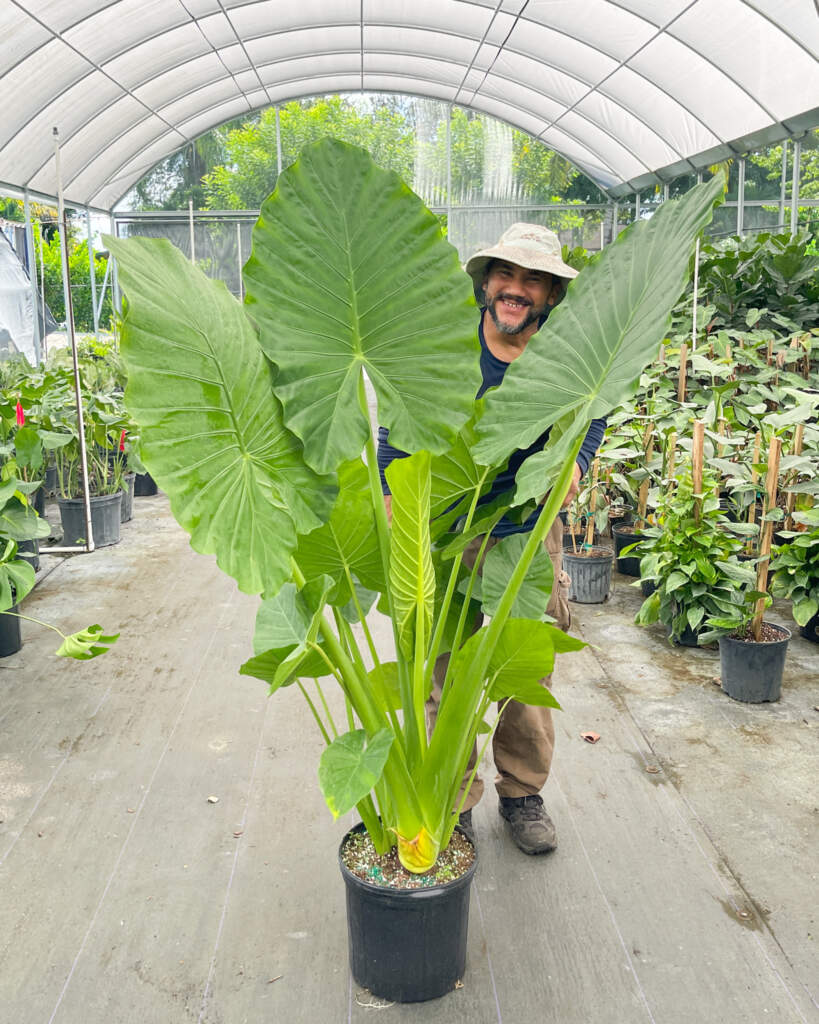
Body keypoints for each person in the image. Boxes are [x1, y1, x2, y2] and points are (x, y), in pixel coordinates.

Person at [377, 223, 606, 855]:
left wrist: (576, 468)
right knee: (443, 667)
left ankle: (522, 793)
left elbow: (594, 412)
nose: (516, 289)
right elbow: (397, 428)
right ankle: (450, 797)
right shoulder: (447, 347)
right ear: (486, 283)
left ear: (551, 296)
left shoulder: (564, 353)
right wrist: (398, 507)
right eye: (506, 275)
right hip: (449, 528)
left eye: (533, 280)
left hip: (528, 531)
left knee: (520, 671)